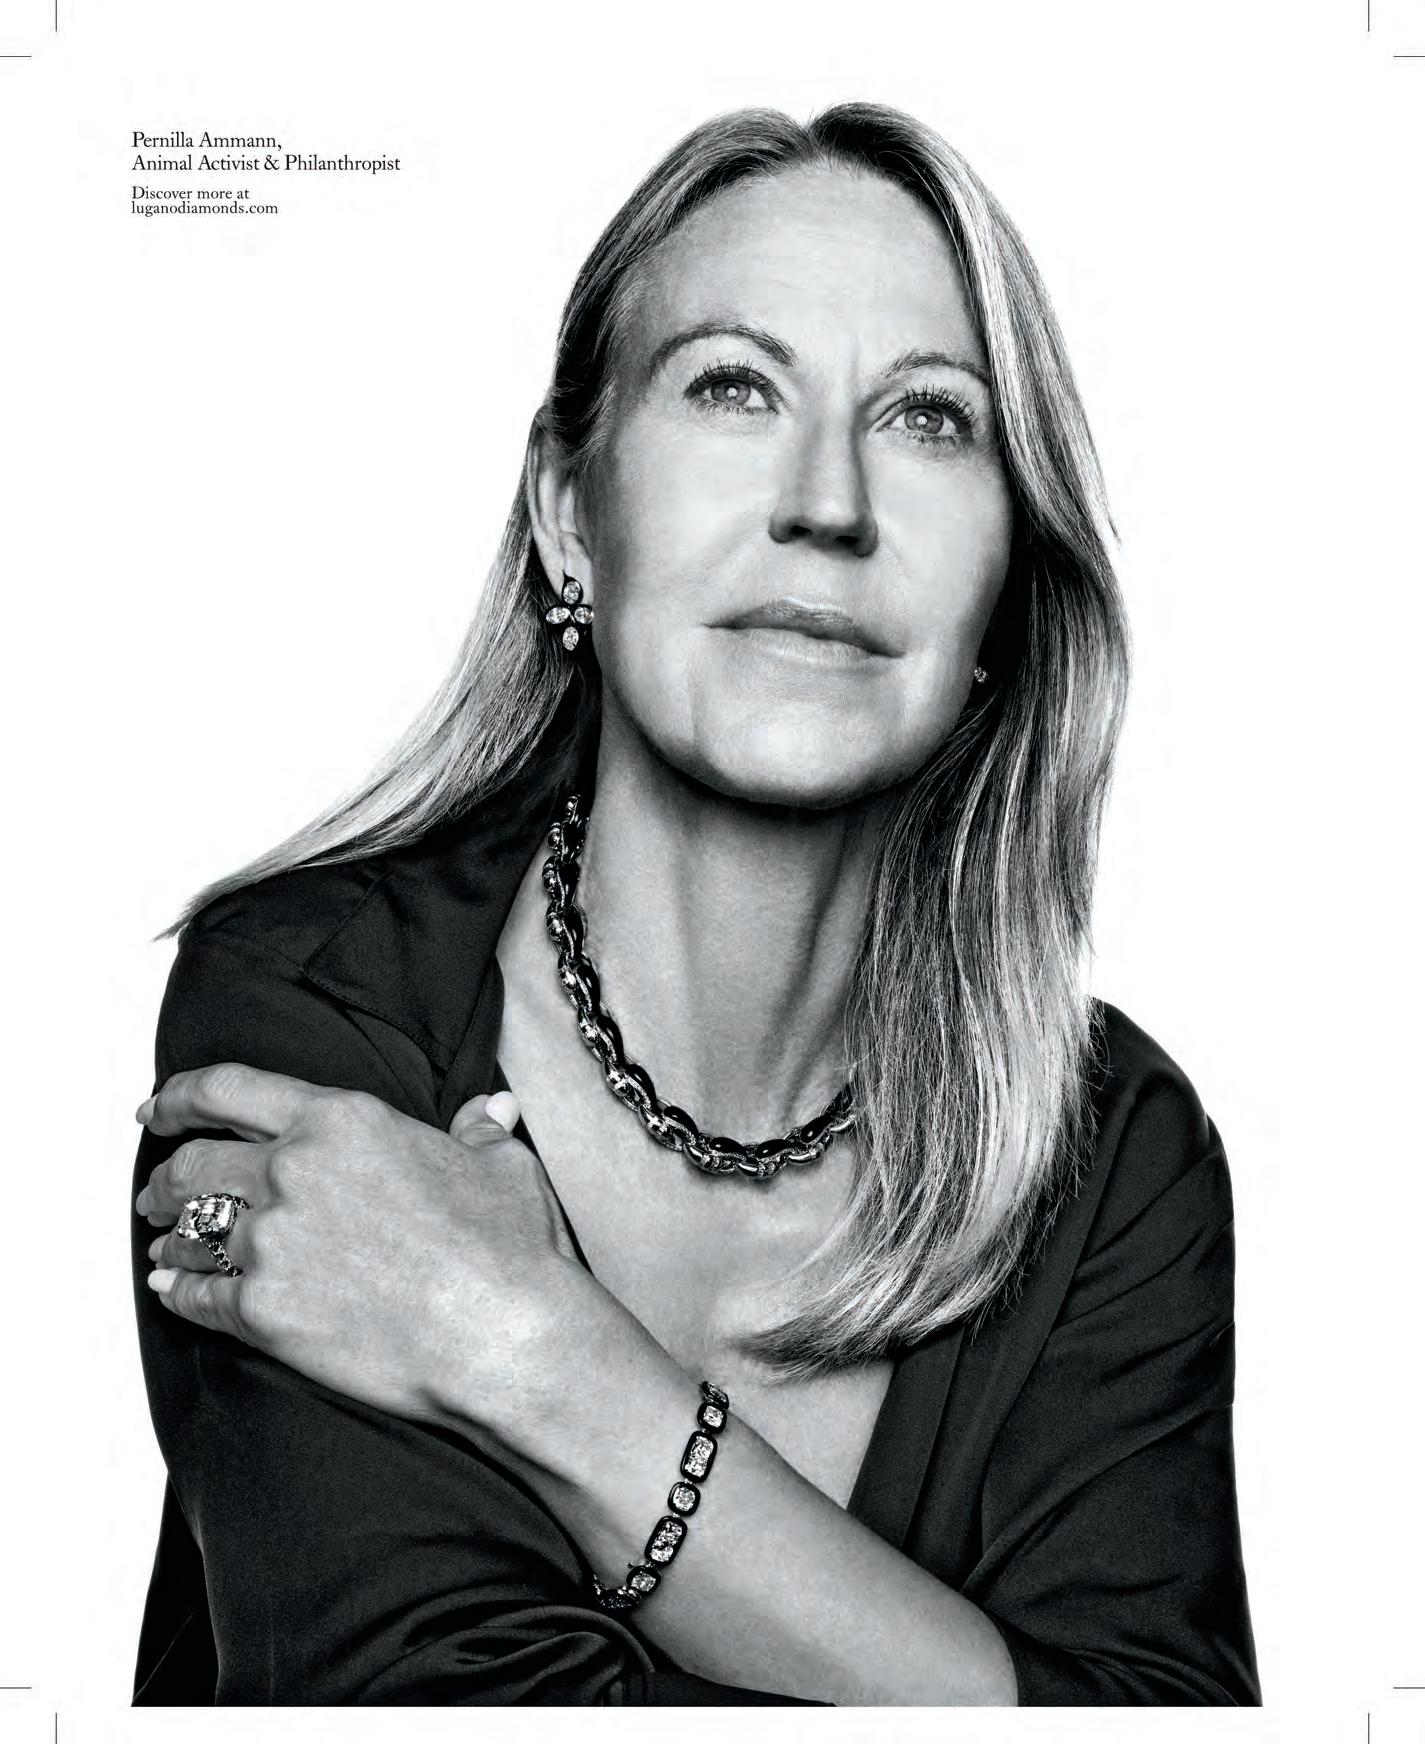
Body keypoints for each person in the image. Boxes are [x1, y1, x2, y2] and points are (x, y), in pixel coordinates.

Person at [128, 101, 1259, 1706]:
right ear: (567, 515)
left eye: (929, 420)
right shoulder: (307, 1002)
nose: (828, 502)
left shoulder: (1115, 1157)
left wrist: (540, 1356)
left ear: (1007, 581)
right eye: (732, 387)